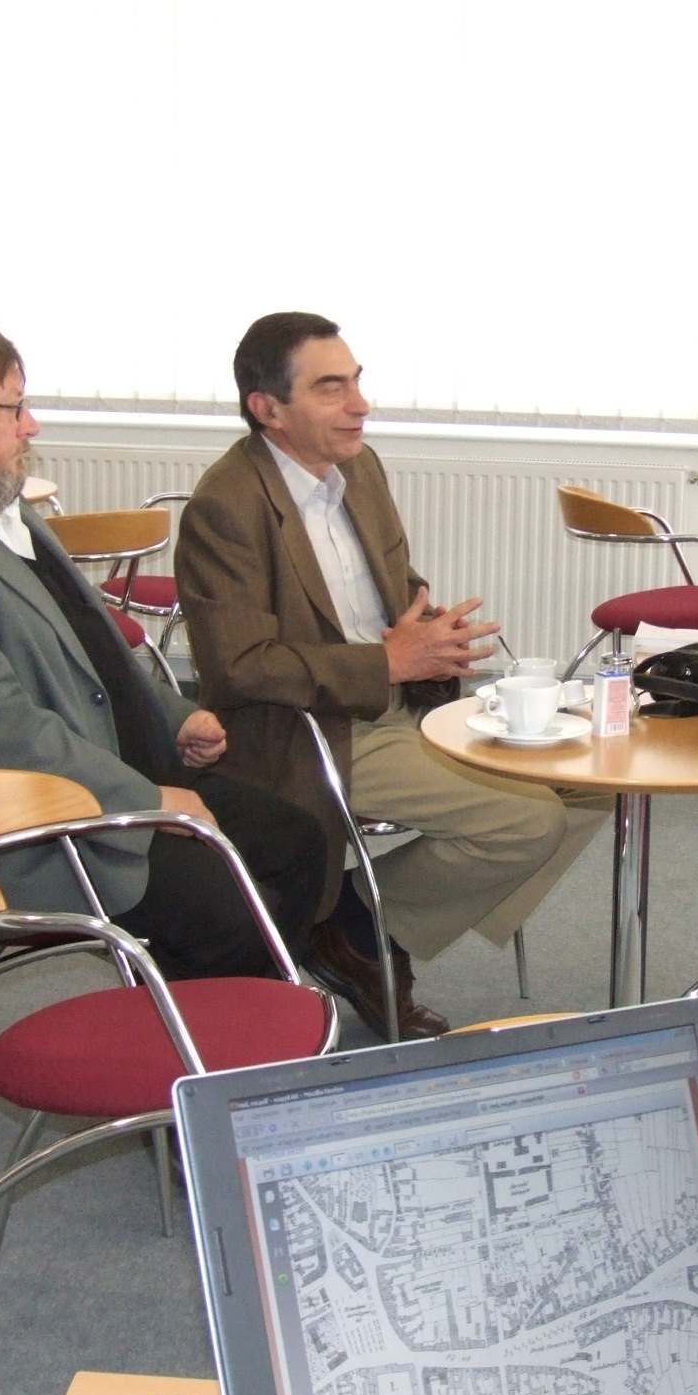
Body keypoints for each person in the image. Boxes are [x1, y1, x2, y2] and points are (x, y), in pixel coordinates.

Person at [0, 313, 326, 982]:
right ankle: (214, 1024)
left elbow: (91, 650)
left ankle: (227, 1011)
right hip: (34, 824)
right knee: (228, 910)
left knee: (298, 843)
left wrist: (173, 716)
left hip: (106, 768)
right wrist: (144, 800)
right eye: (13, 407)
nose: (30, 425)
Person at [175, 312, 606, 1038]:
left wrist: (433, 633)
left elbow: (394, 588)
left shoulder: (359, 468)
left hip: (401, 702)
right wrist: (387, 662)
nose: (360, 404)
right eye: (331, 388)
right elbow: (240, 668)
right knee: (529, 820)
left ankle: (358, 924)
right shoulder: (227, 506)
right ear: (268, 409)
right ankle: (362, 930)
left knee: (594, 778)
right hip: (311, 733)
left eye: (357, 381)